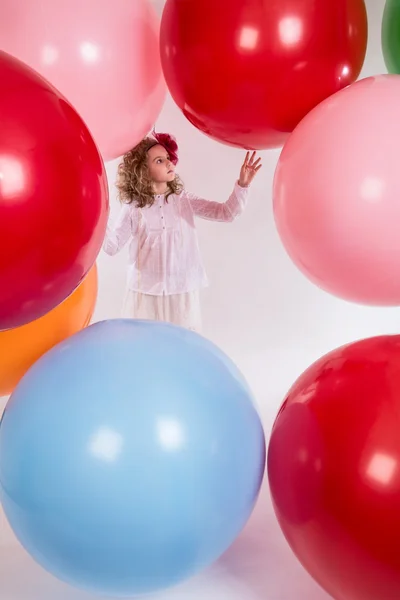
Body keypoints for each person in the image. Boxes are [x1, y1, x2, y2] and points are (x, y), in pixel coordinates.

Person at [103, 130, 262, 332]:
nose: (169, 163)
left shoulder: (183, 200)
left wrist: (243, 185)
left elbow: (226, 213)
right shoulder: (134, 207)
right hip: (145, 295)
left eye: (168, 158)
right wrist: (101, 213)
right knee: (146, 347)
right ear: (143, 170)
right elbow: (111, 246)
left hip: (181, 294)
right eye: (159, 161)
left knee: (181, 348)